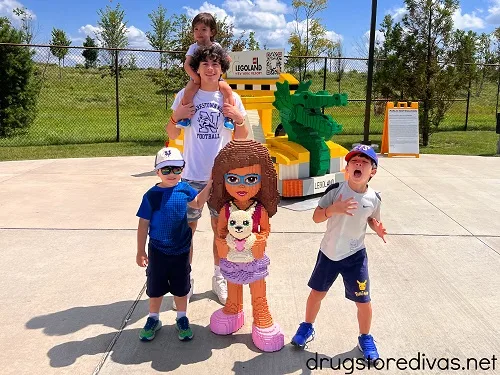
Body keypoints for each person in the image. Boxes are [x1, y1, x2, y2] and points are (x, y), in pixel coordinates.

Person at [167, 44, 248, 307]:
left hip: (223, 179)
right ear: (198, 69)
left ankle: (219, 276)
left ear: (222, 69)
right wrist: (176, 116)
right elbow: (172, 134)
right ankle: (185, 278)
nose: (210, 69)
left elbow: (243, 137)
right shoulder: (186, 95)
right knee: (186, 231)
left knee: (221, 230)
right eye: (205, 64)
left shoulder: (231, 98)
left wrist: (238, 118)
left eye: (215, 64)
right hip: (190, 175)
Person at [291, 144, 387, 361]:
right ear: (347, 168)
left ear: (372, 171)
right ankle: (306, 327)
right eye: (354, 161)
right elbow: (316, 217)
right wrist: (332, 210)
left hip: (355, 257)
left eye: (364, 162)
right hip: (329, 253)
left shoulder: (374, 198)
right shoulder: (335, 191)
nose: (359, 164)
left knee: (363, 301)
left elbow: (372, 218)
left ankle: (365, 337)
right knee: (317, 294)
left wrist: (377, 228)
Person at [208, 139, 284, 352]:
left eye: (251, 178)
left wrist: (259, 241)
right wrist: (222, 243)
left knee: (258, 289)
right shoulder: (226, 209)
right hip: (232, 258)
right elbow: (220, 231)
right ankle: (233, 309)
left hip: (253, 259)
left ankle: (261, 314)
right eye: (233, 178)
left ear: (263, 181)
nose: (242, 186)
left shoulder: (259, 210)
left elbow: (265, 230)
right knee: (233, 284)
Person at [136, 147, 212, 342]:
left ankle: (182, 317)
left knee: (181, 285)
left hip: (181, 248)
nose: (172, 174)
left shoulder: (185, 188)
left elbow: (196, 203)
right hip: (158, 249)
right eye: (166, 169)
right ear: (157, 171)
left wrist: (209, 185)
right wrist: (140, 250)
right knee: (155, 286)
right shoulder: (151, 195)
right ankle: (153, 318)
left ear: (183, 170)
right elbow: (143, 223)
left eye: (177, 169)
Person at [176, 12, 235, 130]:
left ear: (212, 32)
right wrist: (196, 78)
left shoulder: (216, 46)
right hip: (197, 78)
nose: (199, 32)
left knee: (228, 90)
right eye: (196, 29)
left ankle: (229, 118)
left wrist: (218, 75)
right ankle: (186, 118)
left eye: (203, 29)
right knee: (187, 92)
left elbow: (228, 60)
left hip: (215, 79)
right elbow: (187, 65)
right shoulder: (193, 47)